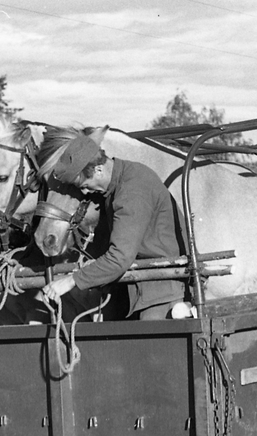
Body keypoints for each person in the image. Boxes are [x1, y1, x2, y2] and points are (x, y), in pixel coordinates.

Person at [38, 127, 186, 320]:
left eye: (83, 184)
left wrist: (70, 281)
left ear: (98, 169)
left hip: (159, 294)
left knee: (151, 348)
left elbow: (120, 257)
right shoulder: (116, 186)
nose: (84, 192)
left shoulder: (132, 189)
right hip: (135, 290)